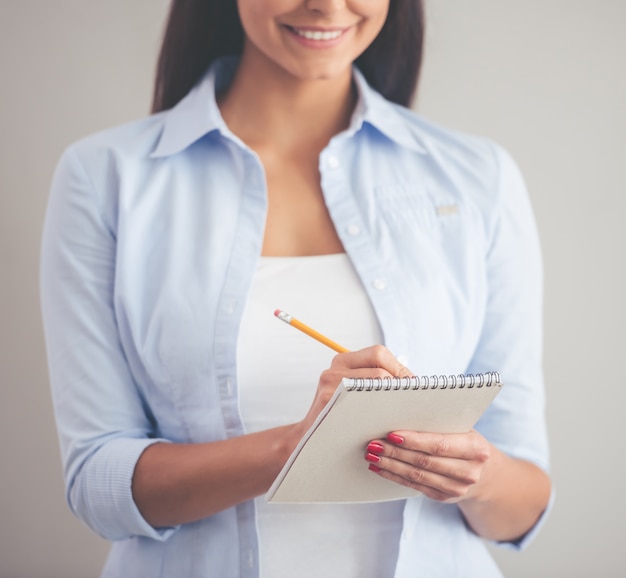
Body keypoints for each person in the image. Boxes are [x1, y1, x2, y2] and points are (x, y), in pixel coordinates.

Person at [40, 1, 553, 576]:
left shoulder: (477, 176)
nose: (327, 5)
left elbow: (526, 502)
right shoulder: (105, 177)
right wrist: (297, 447)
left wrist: (478, 476)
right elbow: (96, 483)